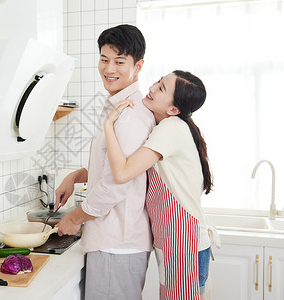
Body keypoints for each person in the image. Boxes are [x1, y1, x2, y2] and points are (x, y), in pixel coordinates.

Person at [54, 24, 155, 300]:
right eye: (104, 59)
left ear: (138, 65)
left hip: (117, 245)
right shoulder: (117, 106)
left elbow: (116, 183)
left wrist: (74, 219)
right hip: (112, 243)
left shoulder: (131, 116)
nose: (110, 69)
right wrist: (74, 176)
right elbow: (110, 165)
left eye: (120, 61)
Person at [104, 70, 214, 300]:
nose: (152, 87)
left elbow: (122, 172)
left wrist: (108, 124)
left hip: (185, 245)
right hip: (181, 243)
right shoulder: (171, 126)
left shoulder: (170, 128)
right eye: (158, 81)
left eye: (162, 88)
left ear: (174, 110)